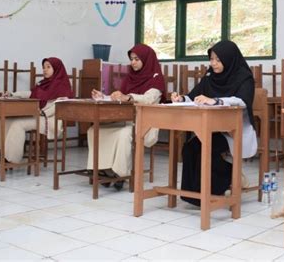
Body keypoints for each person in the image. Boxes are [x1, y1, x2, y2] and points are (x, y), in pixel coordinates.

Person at [171, 40, 257, 206]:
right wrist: (181, 98)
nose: (213, 63)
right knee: (189, 149)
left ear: (229, 58)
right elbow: (194, 95)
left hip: (234, 131)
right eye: (211, 59)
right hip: (212, 128)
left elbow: (242, 101)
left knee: (206, 150)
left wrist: (216, 101)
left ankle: (219, 184)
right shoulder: (210, 76)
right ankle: (193, 195)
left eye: (218, 60)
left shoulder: (243, 76)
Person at [87, 44, 165, 191]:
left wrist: (129, 97)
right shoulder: (130, 77)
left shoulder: (156, 78)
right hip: (125, 119)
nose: (133, 62)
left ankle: (121, 173)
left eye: (136, 59)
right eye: (131, 59)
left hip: (145, 122)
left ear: (146, 59)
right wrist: (104, 97)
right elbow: (119, 98)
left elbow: (149, 99)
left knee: (123, 134)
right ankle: (103, 168)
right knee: (93, 130)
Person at [0, 57, 74, 163]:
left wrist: (43, 112)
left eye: (48, 67)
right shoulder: (43, 83)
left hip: (49, 120)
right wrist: (12, 94)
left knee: (18, 124)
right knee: (1, 119)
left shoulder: (62, 86)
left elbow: (60, 105)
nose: (45, 70)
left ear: (56, 68)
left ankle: (10, 158)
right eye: (43, 67)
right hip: (36, 115)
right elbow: (31, 94)